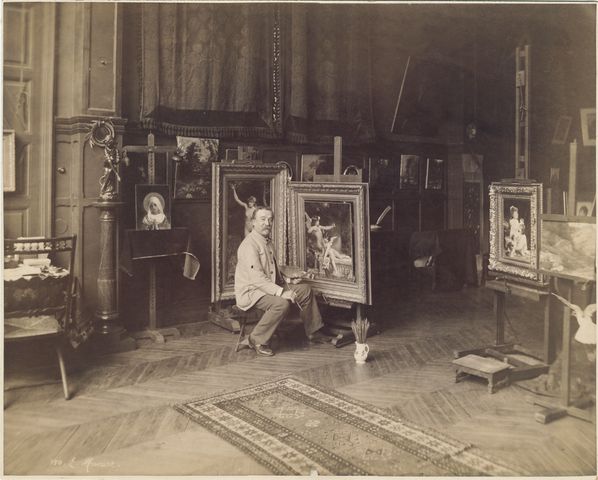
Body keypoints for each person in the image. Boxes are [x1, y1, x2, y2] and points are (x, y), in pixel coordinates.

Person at [235, 206, 333, 356]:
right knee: (281, 303)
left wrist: (288, 280)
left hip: (266, 287)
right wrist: (282, 292)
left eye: (270, 220)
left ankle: (313, 332)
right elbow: (257, 279)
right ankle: (256, 339)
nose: (267, 223)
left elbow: (272, 269)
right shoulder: (249, 245)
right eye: (262, 219)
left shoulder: (266, 241)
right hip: (252, 292)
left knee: (305, 290)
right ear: (253, 222)